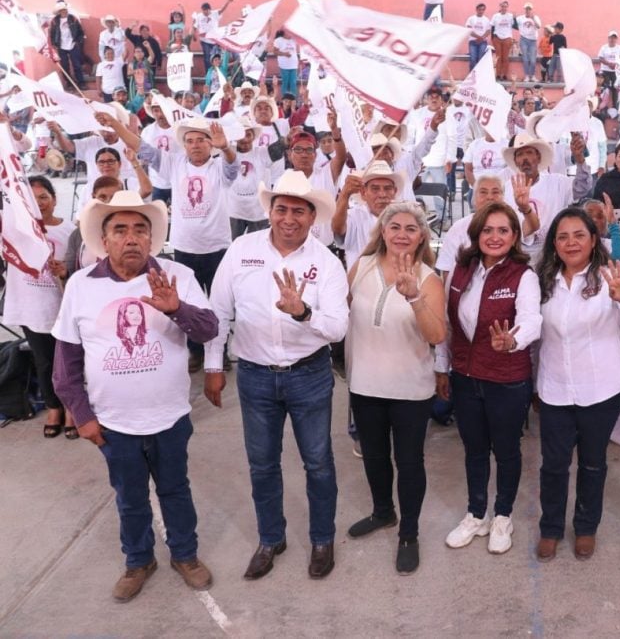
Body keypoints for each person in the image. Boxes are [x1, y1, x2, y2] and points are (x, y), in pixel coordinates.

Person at [52, 191, 217, 602]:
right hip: (113, 423)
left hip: (170, 416)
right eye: (120, 230)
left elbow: (209, 330)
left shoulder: (177, 275)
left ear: (152, 238)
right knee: (130, 498)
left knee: (175, 490)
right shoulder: (81, 285)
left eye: (140, 230)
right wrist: (82, 415)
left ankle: (185, 555)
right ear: (104, 240)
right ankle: (139, 560)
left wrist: (177, 309)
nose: (131, 238)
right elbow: (65, 364)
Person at [203, 171, 347, 580]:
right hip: (255, 376)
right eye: (281, 209)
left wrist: (302, 312)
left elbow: (338, 328)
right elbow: (219, 311)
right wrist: (213, 365)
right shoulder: (241, 250)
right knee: (262, 464)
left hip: (309, 375)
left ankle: (322, 539)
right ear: (269, 211)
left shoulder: (326, 262)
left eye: (299, 211)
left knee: (318, 463)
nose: (288, 218)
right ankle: (271, 538)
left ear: (312, 217)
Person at [434, 202, 541, 554]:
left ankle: (503, 515)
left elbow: (532, 319)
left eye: (503, 231)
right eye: (488, 230)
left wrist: (513, 340)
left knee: (507, 450)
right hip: (465, 377)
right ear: (476, 234)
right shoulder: (461, 270)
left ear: (514, 236)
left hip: (506, 378)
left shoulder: (523, 276)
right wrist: (442, 366)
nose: (495, 237)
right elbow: (447, 323)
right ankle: (476, 513)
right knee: (474, 449)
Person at [534, 209, 620, 562]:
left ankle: (585, 527)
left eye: (579, 235)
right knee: (553, 464)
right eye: (562, 237)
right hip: (555, 387)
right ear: (554, 244)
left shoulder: (610, 276)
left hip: (600, 388)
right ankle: (551, 528)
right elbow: (531, 327)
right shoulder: (542, 281)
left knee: (593, 463)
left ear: (594, 240)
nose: (571, 243)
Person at [346, 202, 446, 575]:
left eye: (411, 228)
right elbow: (339, 314)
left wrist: (414, 297)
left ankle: (409, 533)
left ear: (421, 237)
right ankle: (383, 512)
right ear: (383, 232)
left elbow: (436, 335)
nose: (402, 234)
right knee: (373, 456)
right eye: (395, 227)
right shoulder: (361, 266)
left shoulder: (429, 279)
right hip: (364, 383)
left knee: (409, 462)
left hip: (410, 390)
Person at [99, 114, 239, 372]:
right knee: (187, 303)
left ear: (211, 143)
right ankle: (196, 350)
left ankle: (218, 353)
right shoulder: (174, 163)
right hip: (185, 247)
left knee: (218, 305)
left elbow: (232, 167)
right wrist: (115, 124)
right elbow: (141, 146)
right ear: (184, 145)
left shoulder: (219, 166)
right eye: (190, 141)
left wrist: (227, 148)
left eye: (201, 140)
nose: (195, 145)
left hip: (217, 247)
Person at [2, 177, 74, 438]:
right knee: (44, 361)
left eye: (43, 197)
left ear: (54, 199)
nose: (39, 204)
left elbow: (81, 269)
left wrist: (65, 271)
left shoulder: (70, 230)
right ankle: (54, 407)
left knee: (67, 362)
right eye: (31, 199)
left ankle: (72, 407)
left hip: (63, 308)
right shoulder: (13, 231)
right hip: (31, 308)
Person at [501, 132, 592, 258]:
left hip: (554, 252)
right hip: (519, 253)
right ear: (516, 161)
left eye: (529, 152)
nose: (525, 158)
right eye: (520, 154)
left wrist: (579, 159)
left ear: (538, 157)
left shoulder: (557, 182)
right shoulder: (506, 188)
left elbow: (582, 187)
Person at [435, 175, 538, 277]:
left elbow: (531, 227)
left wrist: (525, 207)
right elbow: (446, 268)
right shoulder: (458, 228)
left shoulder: (511, 219)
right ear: (474, 198)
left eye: (495, 192)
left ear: (503, 197)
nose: (489, 197)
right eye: (483, 192)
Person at [49, 0, 85, 88]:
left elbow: (80, 31)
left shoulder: (73, 18)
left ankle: (81, 83)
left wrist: (78, 41)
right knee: (64, 66)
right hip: (61, 46)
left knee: (77, 65)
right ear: (59, 11)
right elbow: (52, 33)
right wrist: (54, 44)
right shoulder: (54, 21)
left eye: (65, 9)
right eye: (62, 10)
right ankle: (69, 84)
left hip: (73, 44)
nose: (64, 11)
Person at [597, 31, 620, 107]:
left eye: (614, 38)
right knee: (605, 89)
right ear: (608, 38)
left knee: (615, 89)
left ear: (616, 39)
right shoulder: (604, 47)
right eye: (611, 37)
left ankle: (615, 107)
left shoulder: (619, 48)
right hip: (605, 71)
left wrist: (616, 64)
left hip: (616, 71)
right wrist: (609, 64)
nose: (612, 39)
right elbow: (601, 58)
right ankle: (603, 106)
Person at [516, 3, 541, 82]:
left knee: (533, 59)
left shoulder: (536, 17)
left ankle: (532, 76)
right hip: (524, 39)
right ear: (525, 10)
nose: (528, 10)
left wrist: (533, 19)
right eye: (526, 9)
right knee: (525, 58)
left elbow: (539, 26)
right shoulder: (520, 18)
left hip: (533, 41)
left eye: (529, 9)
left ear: (531, 10)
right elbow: (513, 23)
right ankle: (527, 75)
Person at [491, 1, 515, 81]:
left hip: (507, 38)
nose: (503, 8)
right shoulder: (495, 16)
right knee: (498, 57)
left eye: (505, 6)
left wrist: (515, 18)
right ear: (500, 7)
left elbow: (515, 26)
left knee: (505, 57)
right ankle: (498, 74)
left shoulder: (510, 16)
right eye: (502, 6)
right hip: (497, 38)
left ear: (507, 7)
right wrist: (492, 38)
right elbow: (492, 27)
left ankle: (504, 75)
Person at [273, 30, 299, 97]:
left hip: (293, 64)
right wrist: (284, 54)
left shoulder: (294, 40)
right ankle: (285, 100)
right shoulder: (278, 40)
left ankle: (293, 100)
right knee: (285, 83)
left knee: (293, 83)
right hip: (284, 65)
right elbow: (275, 52)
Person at [466, 3, 490, 71]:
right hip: (473, 42)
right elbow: (469, 30)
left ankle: (480, 74)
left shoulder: (486, 19)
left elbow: (488, 31)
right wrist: (478, 37)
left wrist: (482, 38)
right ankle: (472, 74)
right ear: (476, 10)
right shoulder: (471, 19)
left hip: (483, 42)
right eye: (479, 9)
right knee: (473, 59)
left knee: (481, 59)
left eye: (483, 10)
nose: (481, 11)